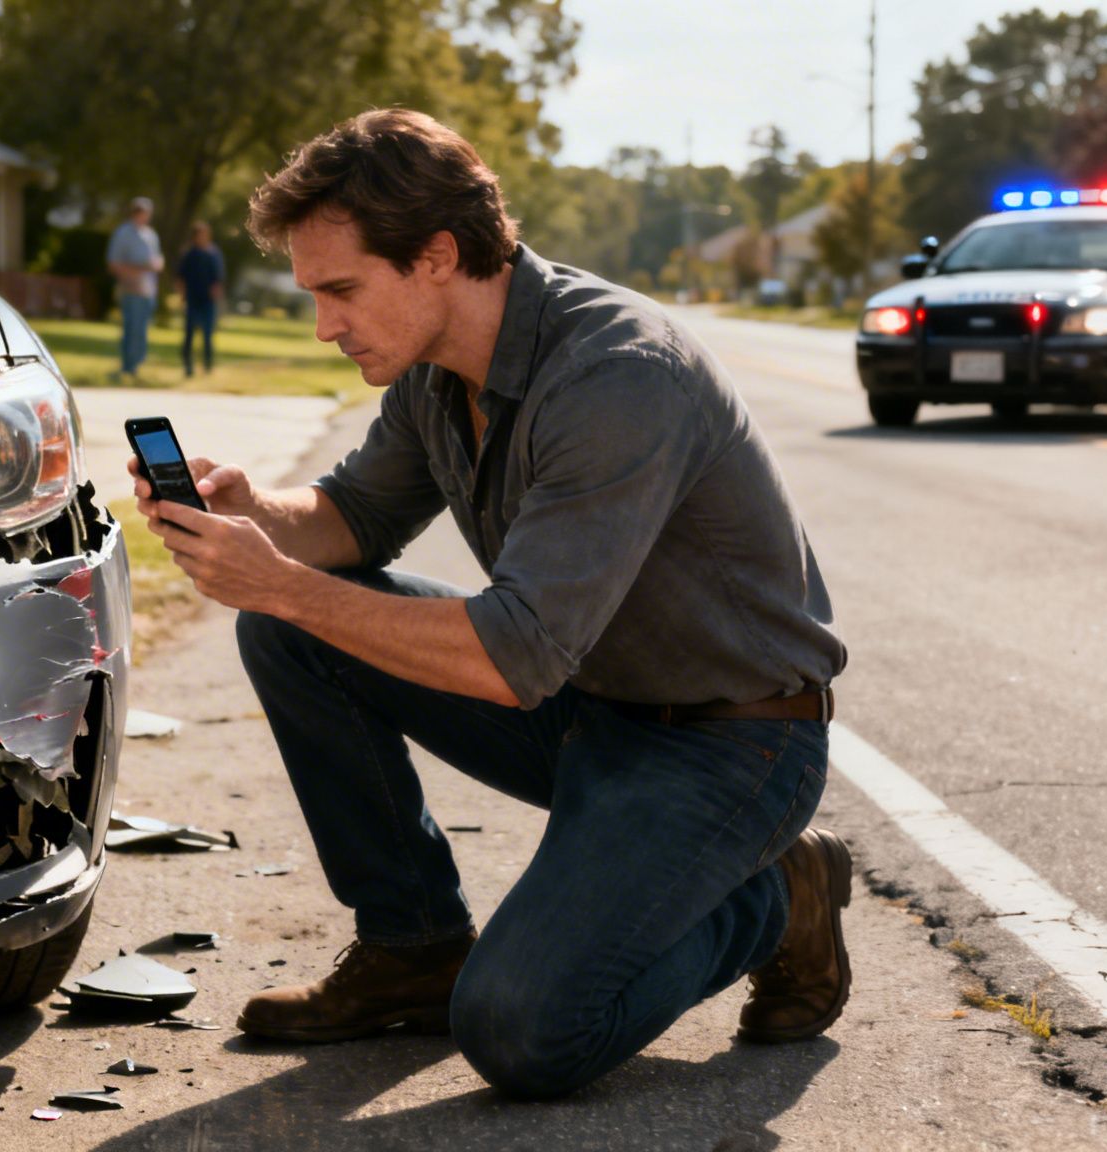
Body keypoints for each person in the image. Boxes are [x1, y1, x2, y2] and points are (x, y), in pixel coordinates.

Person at [128, 109, 849, 1099]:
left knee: (523, 1031)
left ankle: (773, 895)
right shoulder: (434, 371)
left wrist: (281, 580)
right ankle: (411, 949)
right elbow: (349, 516)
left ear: (435, 255)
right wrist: (251, 513)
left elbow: (510, 657)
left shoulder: (616, 375)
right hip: (588, 705)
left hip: (727, 745)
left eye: (340, 291)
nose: (323, 324)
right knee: (290, 631)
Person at [107, 197, 164, 380]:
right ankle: (128, 367)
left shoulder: (150, 235)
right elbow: (114, 263)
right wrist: (140, 269)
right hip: (131, 289)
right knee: (131, 329)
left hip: (148, 289)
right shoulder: (123, 233)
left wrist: (156, 265)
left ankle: (137, 365)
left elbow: (156, 260)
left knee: (142, 330)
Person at [177, 221, 226, 376]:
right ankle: (187, 365)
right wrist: (182, 294)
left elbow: (219, 278)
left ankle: (207, 364)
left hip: (208, 300)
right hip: (192, 299)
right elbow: (180, 276)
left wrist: (217, 294)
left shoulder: (213, 254)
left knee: (207, 334)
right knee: (189, 333)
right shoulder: (189, 254)